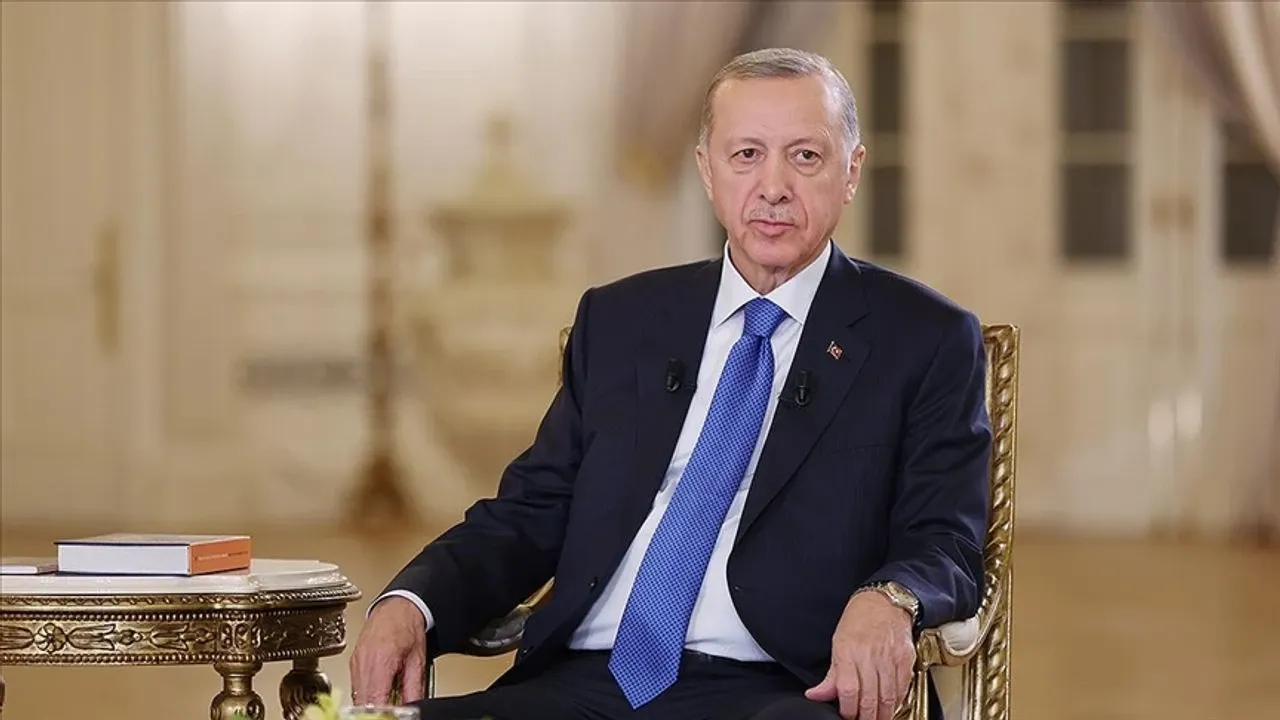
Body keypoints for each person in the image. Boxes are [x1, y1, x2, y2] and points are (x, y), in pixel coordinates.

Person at [350, 47, 991, 720]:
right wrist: (411, 602)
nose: (773, 186)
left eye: (805, 157)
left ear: (851, 170)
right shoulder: (622, 320)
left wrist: (890, 598)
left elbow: (945, 539)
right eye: (746, 155)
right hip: (579, 683)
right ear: (707, 169)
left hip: (781, 688)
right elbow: (531, 510)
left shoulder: (923, 338)